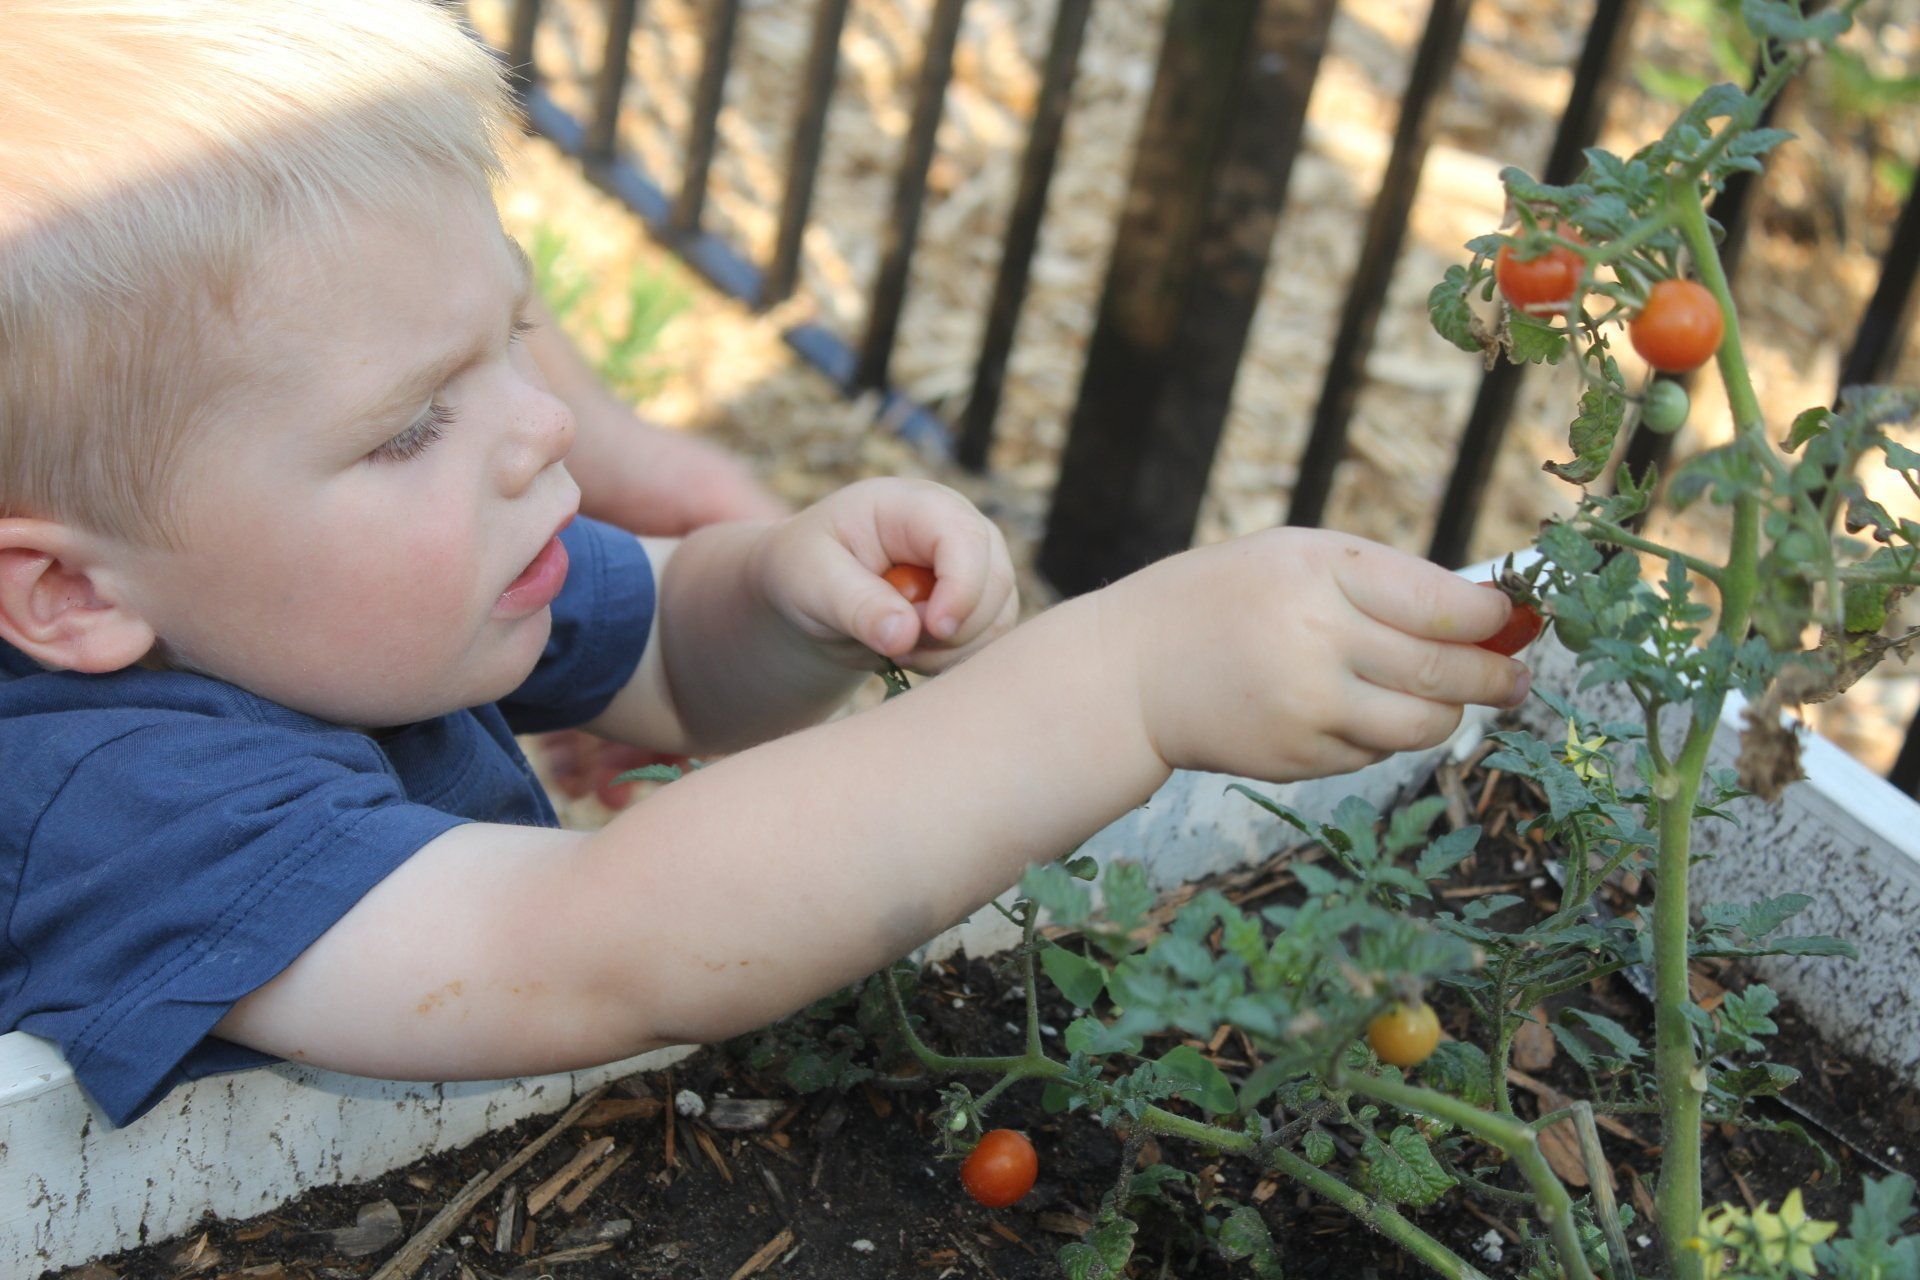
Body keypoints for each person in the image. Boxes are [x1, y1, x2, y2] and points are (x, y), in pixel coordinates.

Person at [0, 0, 1531, 1129]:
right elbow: (599, 949)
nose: (544, 431)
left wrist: (793, 599)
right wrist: (1120, 688)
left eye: (510, 337)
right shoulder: (109, 807)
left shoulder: (365, 585)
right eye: (411, 426)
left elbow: (663, 645)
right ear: (68, 597)